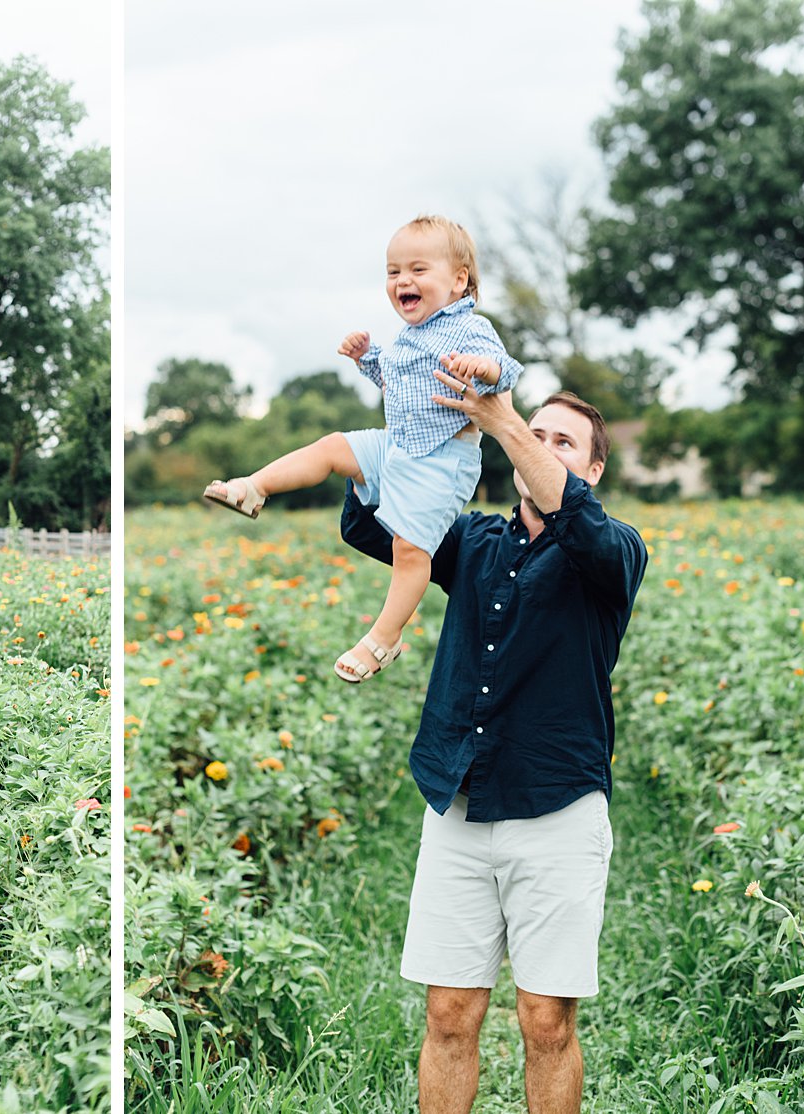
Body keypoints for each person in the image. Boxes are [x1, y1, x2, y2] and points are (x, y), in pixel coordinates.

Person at [341, 378, 647, 1114]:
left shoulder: (612, 552)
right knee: (450, 1013)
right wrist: (402, 409)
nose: (539, 445)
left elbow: (573, 513)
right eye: (533, 433)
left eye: (561, 441)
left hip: (556, 812)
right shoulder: (472, 538)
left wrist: (503, 420)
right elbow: (375, 526)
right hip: (459, 803)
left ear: (594, 470)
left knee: (546, 1022)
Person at [203, 215, 524, 684]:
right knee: (334, 447)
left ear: (459, 281)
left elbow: (509, 371)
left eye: (417, 269)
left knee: (410, 550)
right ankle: (253, 488)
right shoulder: (410, 335)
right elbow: (396, 385)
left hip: (441, 460)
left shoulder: (471, 328)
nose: (403, 281)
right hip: (397, 444)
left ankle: (385, 637)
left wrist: (485, 368)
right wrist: (366, 358)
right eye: (393, 272)